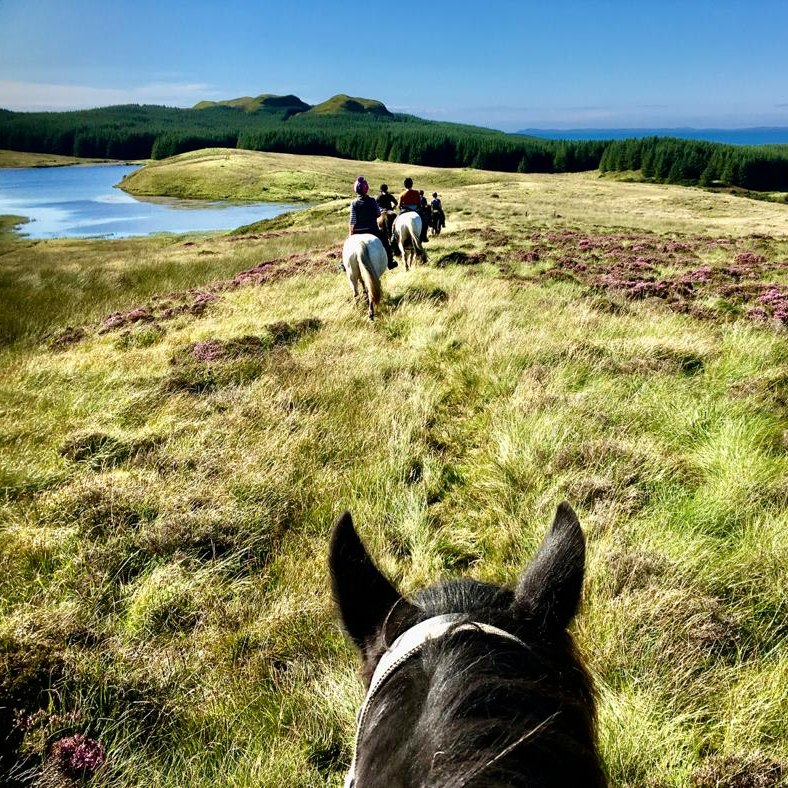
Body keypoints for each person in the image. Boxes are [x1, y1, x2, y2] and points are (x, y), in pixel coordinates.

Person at [349, 175, 396, 269]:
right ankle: (390, 261)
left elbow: (352, 221)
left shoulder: (353, 203)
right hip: (372, 230)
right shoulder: (372, 200)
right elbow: (378, 214)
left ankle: (344, 264)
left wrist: (351, 234)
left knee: (347, 247)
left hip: (358, 232)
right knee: (385, 241)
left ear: (356, 190)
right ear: (366, 189)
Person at [398, 177, 429, 242]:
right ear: (412, 184)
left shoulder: (402, 194)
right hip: (416, 210)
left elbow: (399, 205)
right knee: (424, 221)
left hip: (405, 210)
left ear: (404, 185)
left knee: (395, 221)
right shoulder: (416, 193)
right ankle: (424, 236)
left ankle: (393, 236)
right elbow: (419, 204)